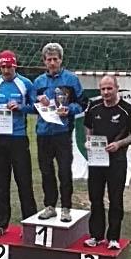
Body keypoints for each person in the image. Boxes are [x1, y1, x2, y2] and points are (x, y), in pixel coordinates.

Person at [0, 50, 37, 236]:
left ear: (15, 66)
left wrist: (21, 107)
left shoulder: (25, 83)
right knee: (1, 182)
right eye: (3, 67)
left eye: (9, 67)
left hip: (18, 139)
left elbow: (36, 107)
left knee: (24, 181)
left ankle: (29, 225)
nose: (6, 71)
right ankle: (1, 224)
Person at [83, 74, 131, 250]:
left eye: (109, 88)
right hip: (97, 161)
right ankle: (96, 236)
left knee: (115, 199)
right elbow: (88, 126)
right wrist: (88, 140)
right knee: (95, 198)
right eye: (103, 89)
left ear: (117, 88)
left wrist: (119, 144)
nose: (106, 92)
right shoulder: (94, 107)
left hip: (117, 161)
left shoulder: (127, 109)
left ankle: (113, 238)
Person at [32, 42, 86, 223]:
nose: (52, 63)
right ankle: (50, 206)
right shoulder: (38, 82)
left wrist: (69, 110)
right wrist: (37, 102)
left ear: (61, 60)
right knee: (46, 171)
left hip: (63, 133)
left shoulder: (71, 79)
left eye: (55, 59)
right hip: (43, 133)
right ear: (44, 61)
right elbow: (32, 106)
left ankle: (66, 208)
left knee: (64, 171)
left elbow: (83, 104)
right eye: (49, 59)